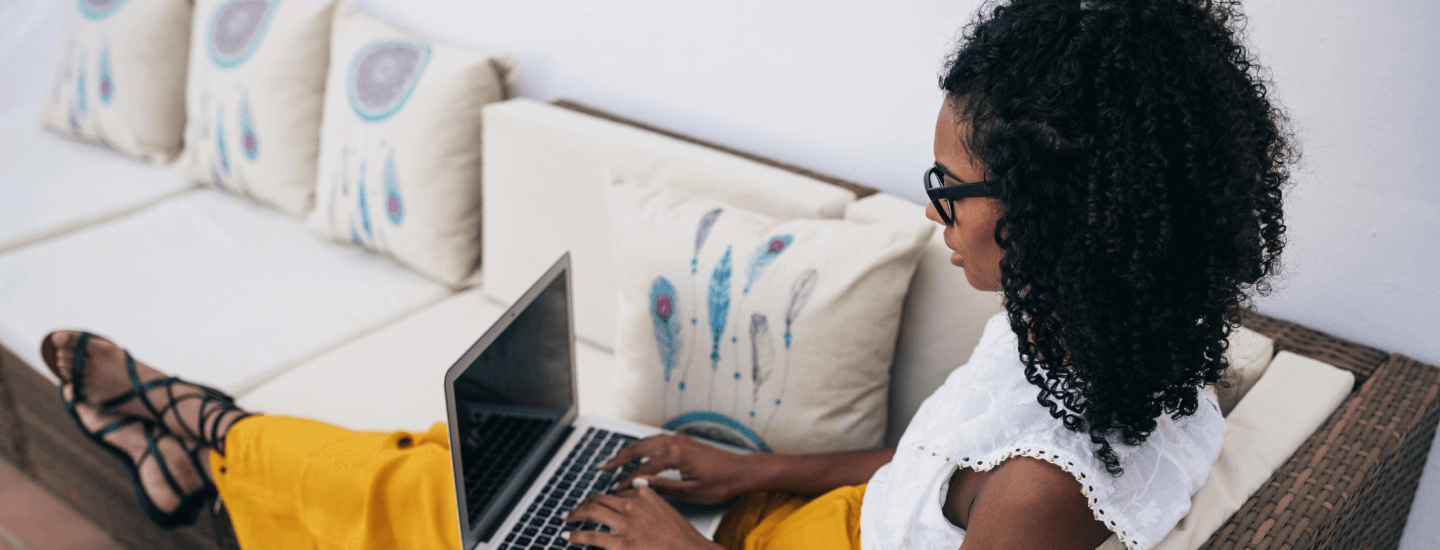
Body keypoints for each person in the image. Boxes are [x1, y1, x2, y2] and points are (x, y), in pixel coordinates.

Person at [43, 0, 1293, 548]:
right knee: (492, 471)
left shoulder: (1050, 490)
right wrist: (761, 468)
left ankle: (198, 428)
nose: (933, 220)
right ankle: (203, 438)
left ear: (1061, 217)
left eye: (948, 191)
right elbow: (936, 479)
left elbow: (997, 497)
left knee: (441, 512)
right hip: (823, 524)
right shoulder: (1089, 344)